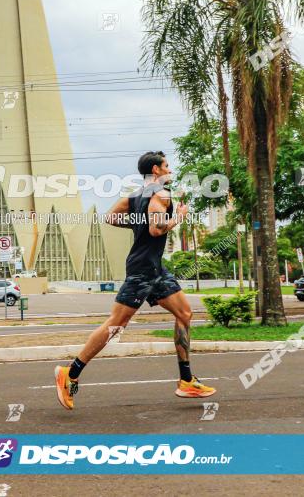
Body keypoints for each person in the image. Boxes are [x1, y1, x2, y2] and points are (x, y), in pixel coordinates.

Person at [54, 151, 215, 409]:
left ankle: (186, 380)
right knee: (116, 324)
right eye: (166, 166)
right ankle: (70, 373)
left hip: (156, 268)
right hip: (142, 269)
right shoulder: (161, 195)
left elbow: (110, 217)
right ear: (156, 170)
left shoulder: (134, 196)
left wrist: (136, 224)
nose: (170, 169)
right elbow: (156, 228)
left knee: (184, 313)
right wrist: (179, 217)